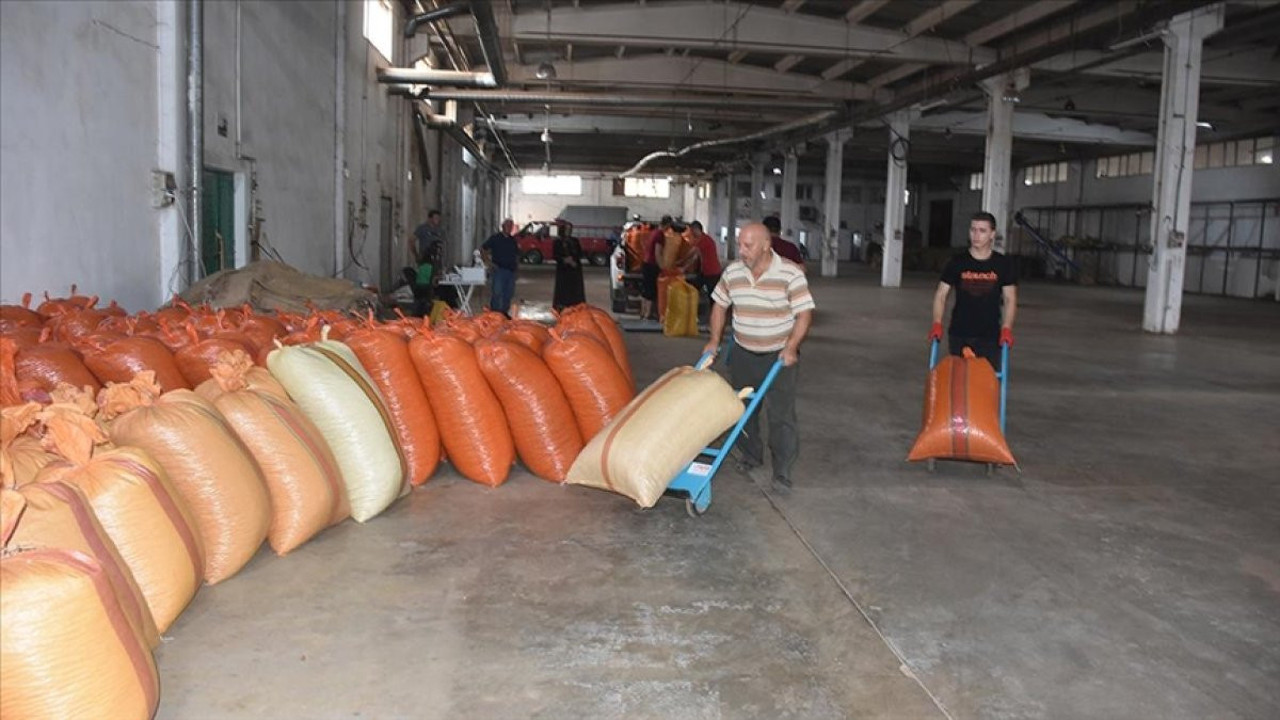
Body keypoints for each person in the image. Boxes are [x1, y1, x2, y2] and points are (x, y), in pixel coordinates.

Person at [702, 222, 815, 494]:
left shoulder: (790, 273)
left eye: (748, 245)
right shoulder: (733, 272)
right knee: (743, 409)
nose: (741, 250)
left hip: (778, 356)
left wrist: (791, 347)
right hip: (742, 353)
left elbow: (804, 314)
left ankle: (782, 470)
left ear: (766, 245)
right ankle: (751, 455)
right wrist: (714, 341)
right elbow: (719, 306)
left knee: (781, 415)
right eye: (739, 244)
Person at [929, 211, 1018, 371]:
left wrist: (1007, 328)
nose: (976, 235)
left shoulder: (1003, 264)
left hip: (990, 335)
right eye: (973, 230)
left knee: (987, 379)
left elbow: (1010, 299)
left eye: (982, 231)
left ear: (992, 234)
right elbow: (941, 295)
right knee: (960, 379)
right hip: (959, 333)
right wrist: (937, 323)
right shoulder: (957, 262)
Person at [481, 218, 519, 315]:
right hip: (499, 270)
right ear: (503, 226)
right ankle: (494, 314)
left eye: (511, 226)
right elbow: (483, 249)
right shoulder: (495, 238)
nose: (509, 228)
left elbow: (516, 255)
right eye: (507, 226)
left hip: (511, 271)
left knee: (508, 294)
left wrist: (517, 270)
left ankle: (504, 313)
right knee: (497, 293)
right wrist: (488, 262)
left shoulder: (512, 240)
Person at [639, 215, 672, 321]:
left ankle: (643, 312)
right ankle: (648, 314)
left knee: (645, 289)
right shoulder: (660, 235)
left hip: (645, 263)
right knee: (651, 290)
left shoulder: (653, 232)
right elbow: (658, 253)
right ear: (667, 225)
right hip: (652, 264)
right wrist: (662, 267)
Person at [552, 222, 586, 310]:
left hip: (574, 269)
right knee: (563, 289)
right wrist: (564, 260)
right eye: (567, 229)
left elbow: (580, 253)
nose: (569, 231)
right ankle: (562, 305)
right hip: (563, 270)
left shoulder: (574, 241)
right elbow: (555, 255)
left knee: (575, 289)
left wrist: (573, 259)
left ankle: (576, 305)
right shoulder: (558, 242)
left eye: (570, 229)